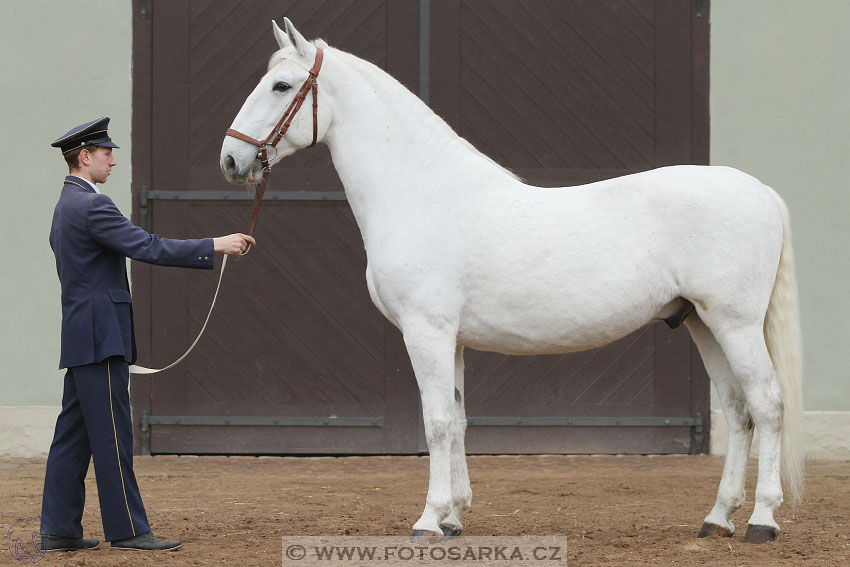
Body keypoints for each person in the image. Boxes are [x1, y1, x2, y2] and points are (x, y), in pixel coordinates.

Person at [40, 117, 254, 552]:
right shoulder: (92, 206)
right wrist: (216, 243)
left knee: (72, 438)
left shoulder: (67, 204)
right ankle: (128, 531)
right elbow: (147, 246)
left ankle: (59, 531)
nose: (113, 160)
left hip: (84, 336)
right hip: (102, 337)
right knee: (114, 437)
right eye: (106, 153)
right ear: (85, 156)